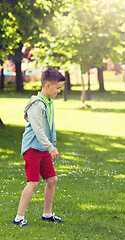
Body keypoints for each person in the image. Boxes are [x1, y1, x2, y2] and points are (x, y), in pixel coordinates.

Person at [13, 68, 66, 227]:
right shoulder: (37, 104)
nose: (59, 90)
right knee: (33, 182)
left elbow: (50, 126)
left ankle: (47, 214)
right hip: (32, 148)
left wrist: (52, 145)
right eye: (58, 88)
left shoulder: (49, 102)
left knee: (52, 179)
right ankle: (19, 218)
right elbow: (38, 129)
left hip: (42, 148)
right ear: (48, 86)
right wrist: (51, 147)